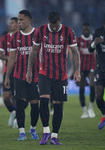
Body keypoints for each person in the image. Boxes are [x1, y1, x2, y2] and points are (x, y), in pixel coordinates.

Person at [26, 10, 81, 145]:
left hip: (61, 75)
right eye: (52, 25)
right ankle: (46, 132)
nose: (54, 28)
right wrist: (29, 70)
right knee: (43, 101)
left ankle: (55, 136)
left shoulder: (69, 32)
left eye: (56, 25)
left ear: (60, 21)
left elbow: (75, 52)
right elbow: (34, 51)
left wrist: (77, 70)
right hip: (44, 72)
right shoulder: (40, 31)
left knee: (58, 105)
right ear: (48, 21)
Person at [4, 10, 39, 140]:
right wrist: (7, 76)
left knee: (35, 103)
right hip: (19, 75)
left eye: (21, 20)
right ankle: (22, 132)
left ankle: (33, 129)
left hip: (35, 75)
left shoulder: (37, 34)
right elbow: (12, 57)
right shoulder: (14, 37)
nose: (19, 22)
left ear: (29, 20)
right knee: (19, 103)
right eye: (18, 20)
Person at [0, 17, 18, 127]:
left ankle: (17, 119)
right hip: (8, 71)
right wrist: (11, 58)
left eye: (12, 23)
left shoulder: (21, 37)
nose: (10, 25)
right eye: (9, 23)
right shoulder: (4, 38)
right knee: (6, 96)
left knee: (16, 97)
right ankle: (13, 112)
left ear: (18, 24)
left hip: (19, 70)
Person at [76, 23, 96, 118]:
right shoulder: (78, 40)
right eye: (85, 30)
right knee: (81, 88)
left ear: (90, 29)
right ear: (82, 30)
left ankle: (91, 108)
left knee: (92, 85)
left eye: (88, 29)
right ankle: (84, 111)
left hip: (92, 66)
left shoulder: (94, 40)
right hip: (82, 68)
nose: (86, 31)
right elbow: (75, 54)